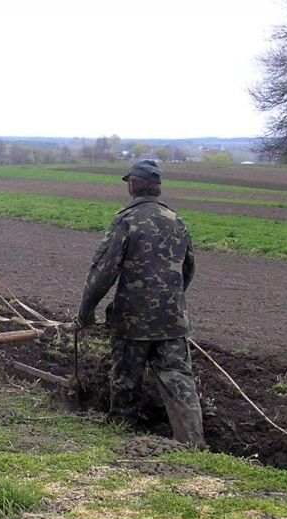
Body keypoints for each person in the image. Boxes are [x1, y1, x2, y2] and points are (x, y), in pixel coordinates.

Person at [73, 160, 205, 448]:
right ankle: (193, 443)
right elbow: (188, 269)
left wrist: (85, 313)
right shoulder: (177, 221)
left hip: (132, 322)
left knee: (125, 382)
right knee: (179, 380)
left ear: (133, 186)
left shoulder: (126, 221)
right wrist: (171, 301)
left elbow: (103, 272)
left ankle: (123, 440)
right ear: (158, 188)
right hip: (172, 321)